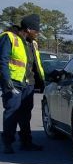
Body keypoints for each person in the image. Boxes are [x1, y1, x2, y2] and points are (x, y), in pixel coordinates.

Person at [1, 14, 45, 154]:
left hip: (29, 83)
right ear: (28, 29)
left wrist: (44, 80)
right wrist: (6, 79)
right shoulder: (9, 37)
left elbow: (36, 64)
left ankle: (26, 142)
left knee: (26, 114)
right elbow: (2, 60)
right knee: (12, 112)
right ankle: (8, 143)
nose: (37, 33)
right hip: (14, 82)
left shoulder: (33, 43)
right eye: (36, 31)